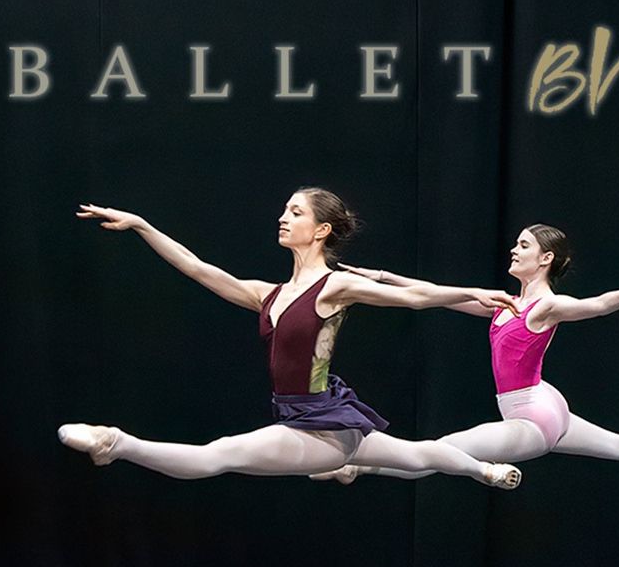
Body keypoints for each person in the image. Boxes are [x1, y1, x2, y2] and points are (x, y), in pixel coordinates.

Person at [58, 188, 522, 489]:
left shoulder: (335, 286)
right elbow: (198, 268)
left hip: (319, 424)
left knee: (219, 454)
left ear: (321, 230)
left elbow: (415, 296)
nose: (283, 217)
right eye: (284, 210)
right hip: (313, 415)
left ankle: (114, 443)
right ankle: (485, 470)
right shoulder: (269, 294)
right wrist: (142, 225)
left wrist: (470, 293)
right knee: (416, 454)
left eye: (295, 212)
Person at [311, 223, 619, 484]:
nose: (514, 249)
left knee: (440, 452)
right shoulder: (505, 304)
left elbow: (594, 306)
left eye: (524, 245)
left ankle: (355, 468)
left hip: (532, 416)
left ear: (545, 259)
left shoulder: (546, 306)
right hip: (541, 399)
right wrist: (381, 278)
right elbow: (435, 292)